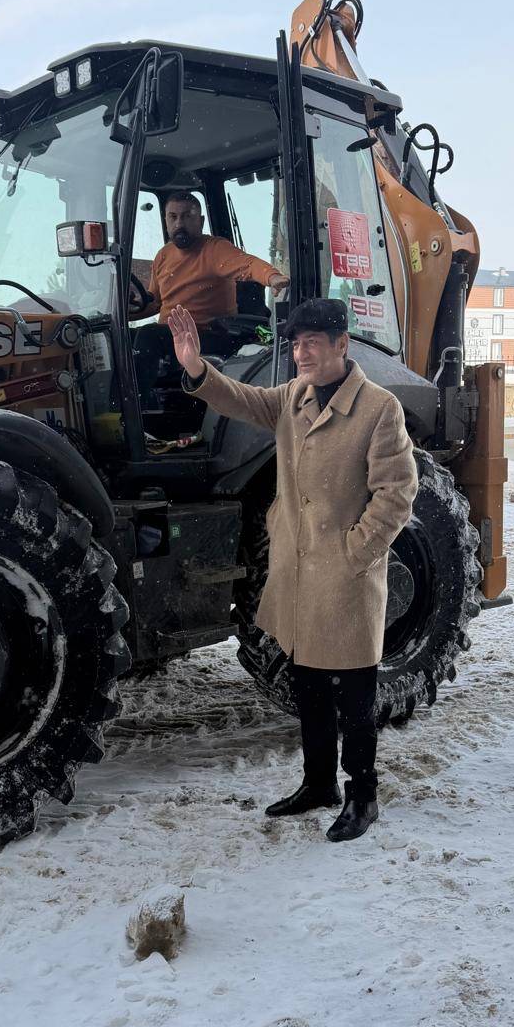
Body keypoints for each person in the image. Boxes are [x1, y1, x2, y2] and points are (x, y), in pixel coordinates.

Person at [167, 297, 418, 841]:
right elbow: (239, 398)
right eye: (296, 343)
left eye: (312, 343)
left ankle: (363, 795)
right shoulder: (292, 398)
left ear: (341, 345)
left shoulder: (378, 409)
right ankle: (318, 783)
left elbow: (397, 494)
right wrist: (194, 366)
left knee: (354, 696)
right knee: (308, 687)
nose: (300, 354)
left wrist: (357, 553)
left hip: (346, 574)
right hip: (298, 571)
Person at [131, 193, 288, 401]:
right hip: (173, 334)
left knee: (149, 336)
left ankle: (136, 409)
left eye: (187, 216)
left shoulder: (214, 249)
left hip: (210, 334)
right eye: (173, 217)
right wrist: (123, 314)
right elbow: (156, 302)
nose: (179, 223)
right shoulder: (163, 255)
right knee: (125, 340)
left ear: (201, 221)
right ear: (166, 221)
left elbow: (247, 264)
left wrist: (272, 277)